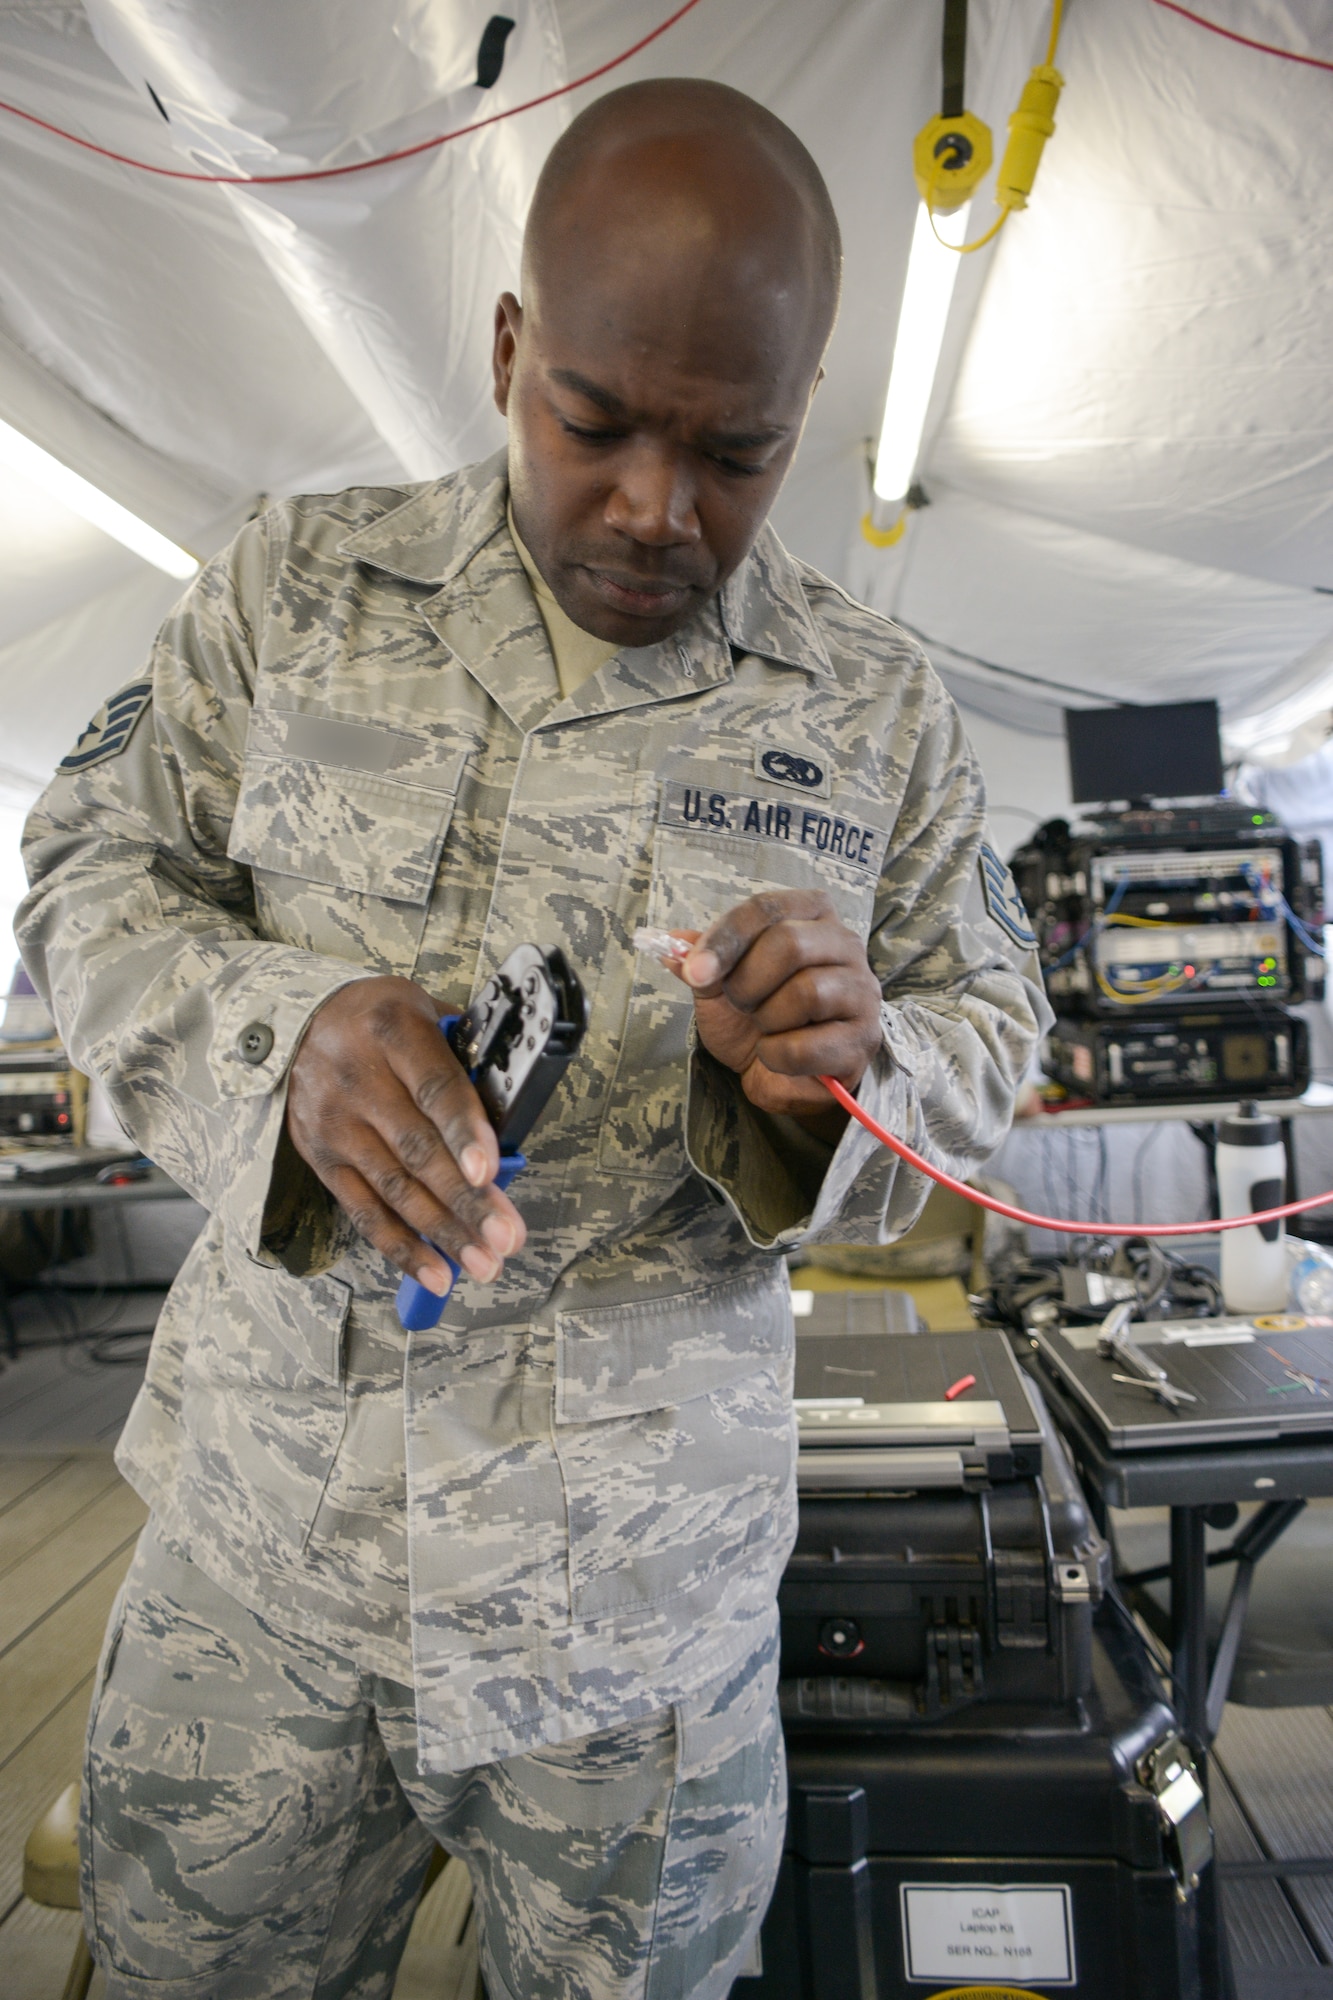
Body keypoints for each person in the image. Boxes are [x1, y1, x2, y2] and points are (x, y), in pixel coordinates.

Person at [19, 77, 1048, 2000]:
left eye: (731, 455)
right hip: (267, 1573)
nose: (655, 508)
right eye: (593, 424)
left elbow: (996, 1017)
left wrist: (862, 1062)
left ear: (801, 420)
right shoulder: (287, 593)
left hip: (637, 1634)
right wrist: (284, 1036)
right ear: (509, 351)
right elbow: (87, 876)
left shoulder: (878, 707)